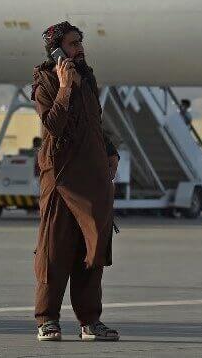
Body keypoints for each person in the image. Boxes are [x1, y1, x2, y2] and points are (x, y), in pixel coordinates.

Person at [32, 21, 120, 342]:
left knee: (92, 249)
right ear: (56, 49)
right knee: (54, 251)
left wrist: (110, 151)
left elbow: (93, 120)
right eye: (71, 44)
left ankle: (90, 321)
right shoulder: (45, 80)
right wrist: (65, 87)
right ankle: (47, 320)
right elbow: (53, 125)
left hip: (91, 175)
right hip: (61, 176)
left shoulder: (88, 77)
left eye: (80, 42)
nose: (79, 48)